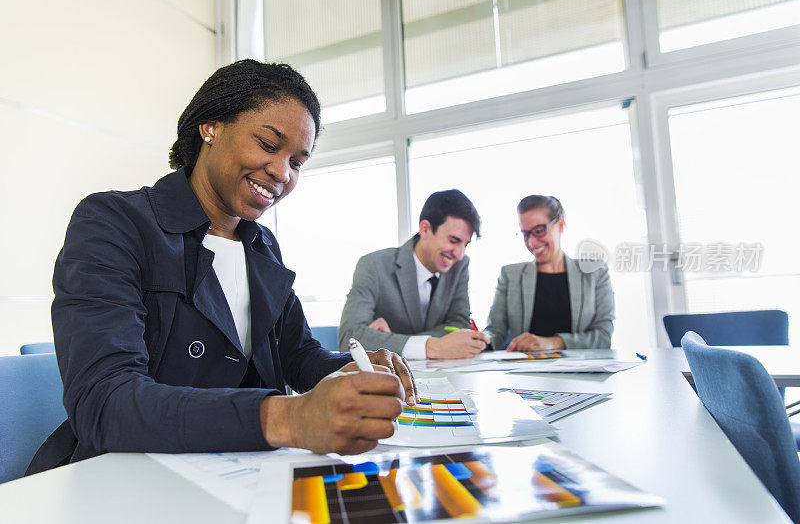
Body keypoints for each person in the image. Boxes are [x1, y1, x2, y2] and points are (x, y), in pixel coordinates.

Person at [27, 60, 418, 475]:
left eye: (297, 162)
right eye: (269, 144)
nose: (282, 173)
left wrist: (352, 367)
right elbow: (105, 402)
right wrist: (287, 418)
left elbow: (298, 355)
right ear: (211, 127)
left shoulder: (262, 245)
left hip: (235, 471)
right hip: (126, 476)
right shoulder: (114, 222)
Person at [338, 190, 490, 359]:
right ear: (425, 229)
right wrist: (432, 347)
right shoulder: (373, 265)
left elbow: (457, 325)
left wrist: (390, 340)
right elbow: (349, 338)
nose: (459, 254)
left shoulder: (460, 266)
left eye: (465, 244)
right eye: (453, 241)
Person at [484, 195, 614, 351]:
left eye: (539, 231)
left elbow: (603, 337)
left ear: (560, 225)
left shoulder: (595, 272)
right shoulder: (510, 275)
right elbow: (495, 331)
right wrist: (481, 341)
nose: (532, 242)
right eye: (526, 234)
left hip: (580, 371)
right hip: (525, 372)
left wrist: (554, 342)